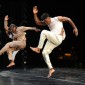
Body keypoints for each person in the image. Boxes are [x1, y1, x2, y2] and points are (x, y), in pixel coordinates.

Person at [30, 6, 78, 78]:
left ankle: (38, 48)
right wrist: (34, 14)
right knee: (44, 53)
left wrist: (75, 28)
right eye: (44, 22)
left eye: (46, 21)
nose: (45, 23)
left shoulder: (57, 19)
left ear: (48, 18)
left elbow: (68, 19)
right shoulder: (47, 22)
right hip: (53, 39)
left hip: (58, 37)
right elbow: (38, 22)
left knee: (44, 32)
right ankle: (51, 69)